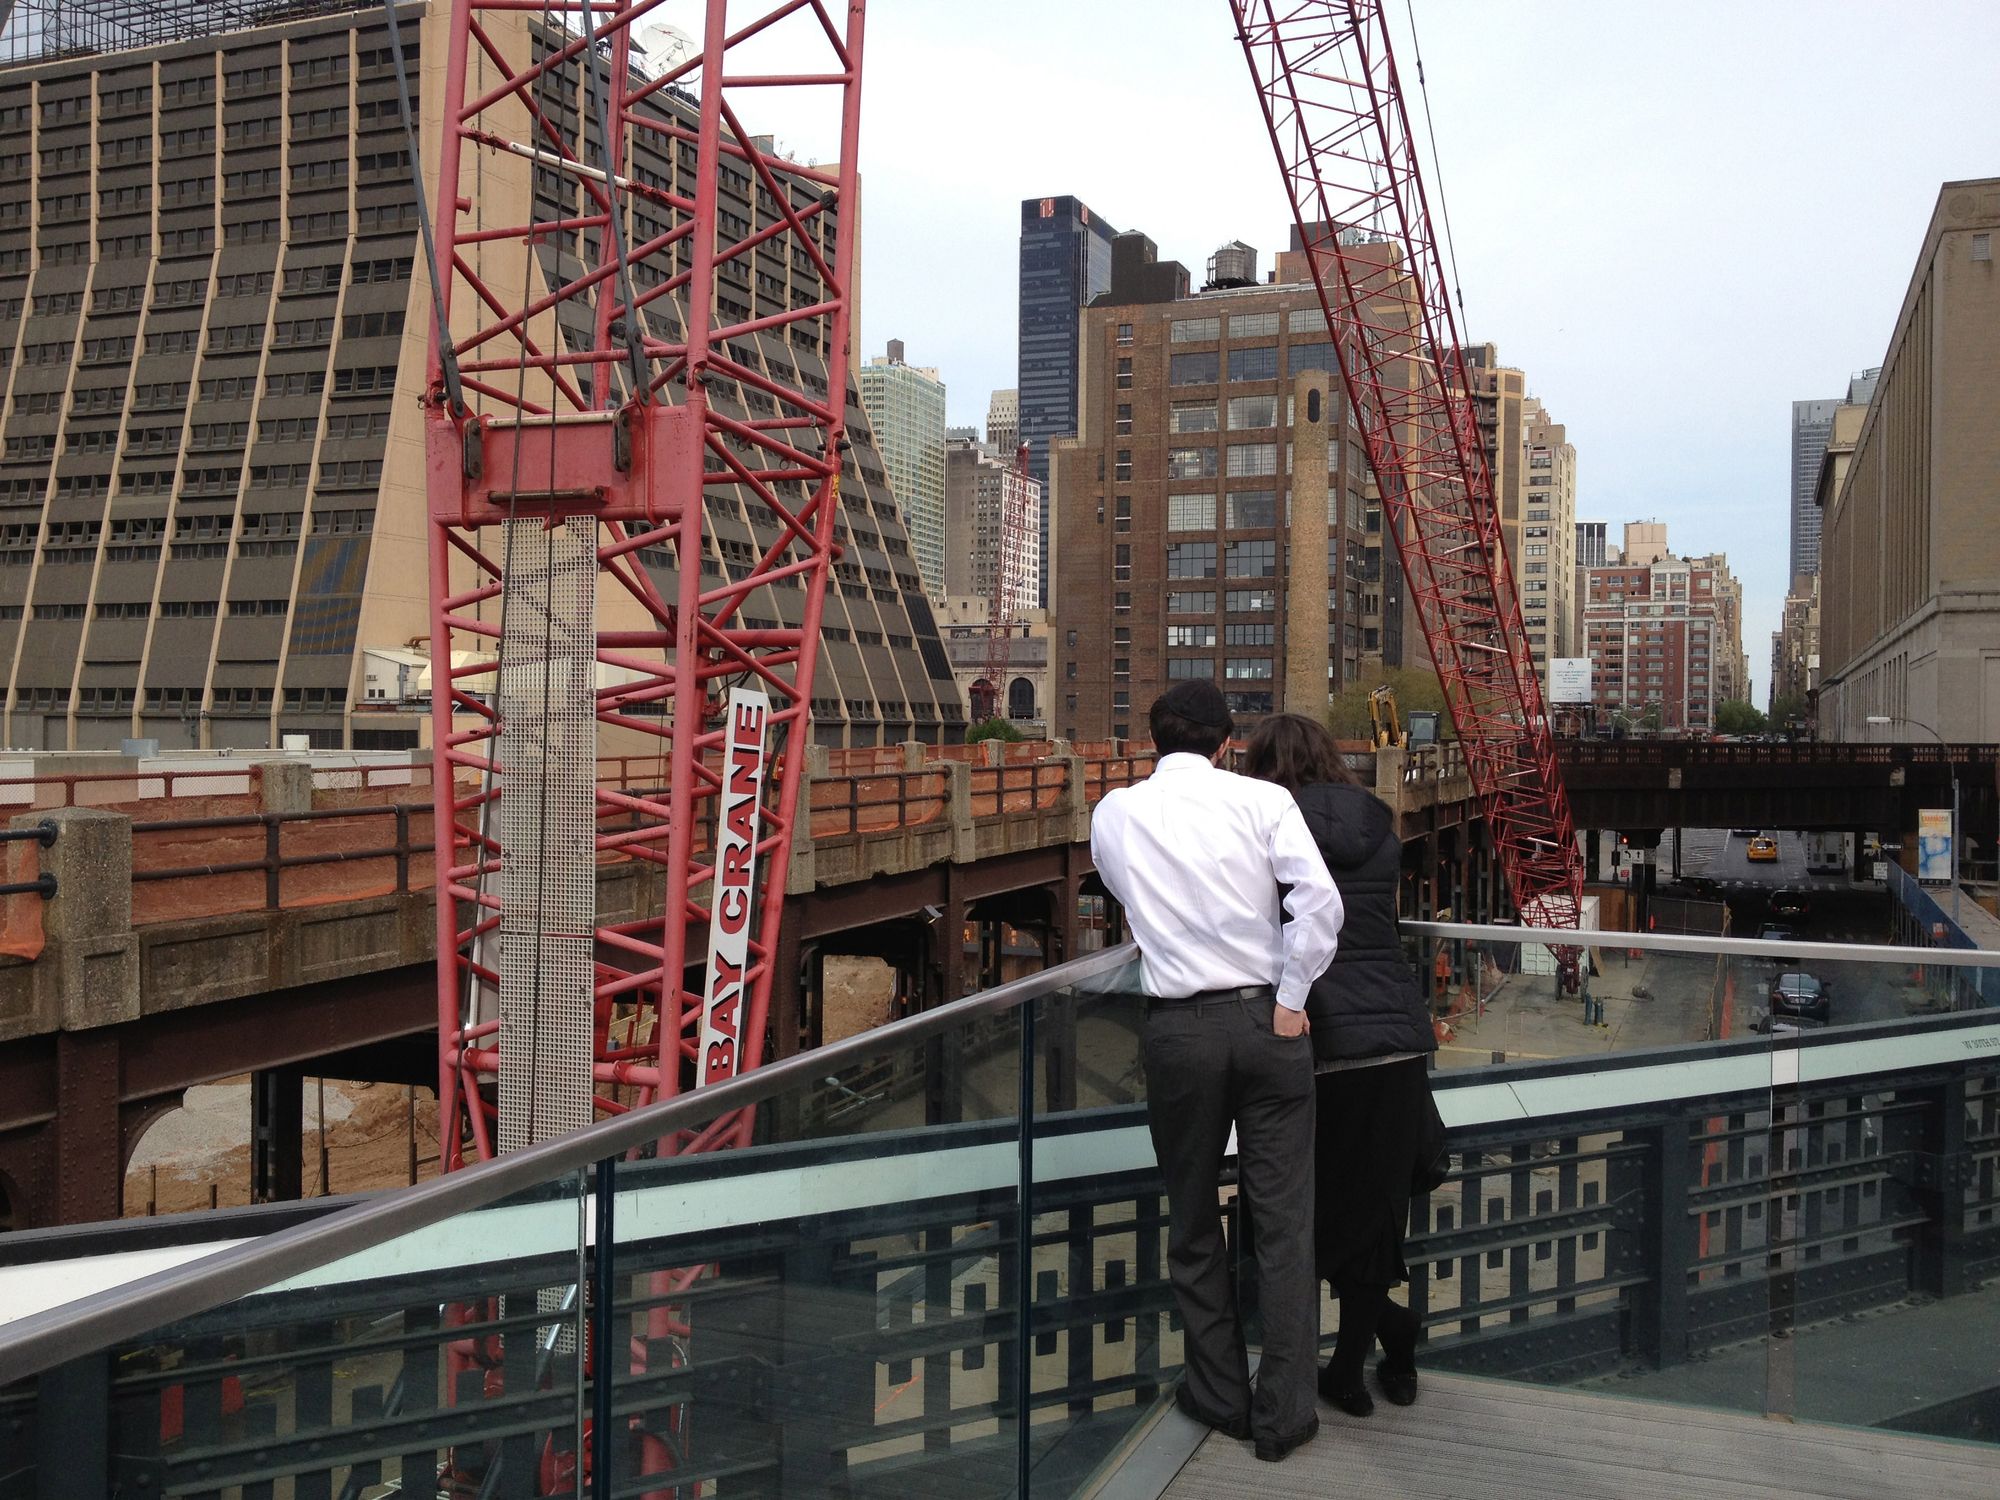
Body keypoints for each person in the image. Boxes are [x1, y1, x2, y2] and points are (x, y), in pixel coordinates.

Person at [1091, 682, 1344, 1463]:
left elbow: (1120, 890)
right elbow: (1320, 903)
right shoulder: (1264, 804)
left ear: (1152, 742)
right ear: (1226, 744)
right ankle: (1286, 1416)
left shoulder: (1115, 814)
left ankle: (1219, 1395)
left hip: (1180, 1030)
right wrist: (1292, 998)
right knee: (1283, 1223)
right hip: (1267, 1023)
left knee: (1193, 1217)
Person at [1243, 713, 1439, 1417]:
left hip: (1319, 1038)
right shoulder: (1379, 828)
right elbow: (1381, 925)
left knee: (1305, 1209)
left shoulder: (1269, 828)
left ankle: (1367, 1353)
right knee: (1375, 1215)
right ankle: (1361, 1360)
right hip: (1396, 1039)